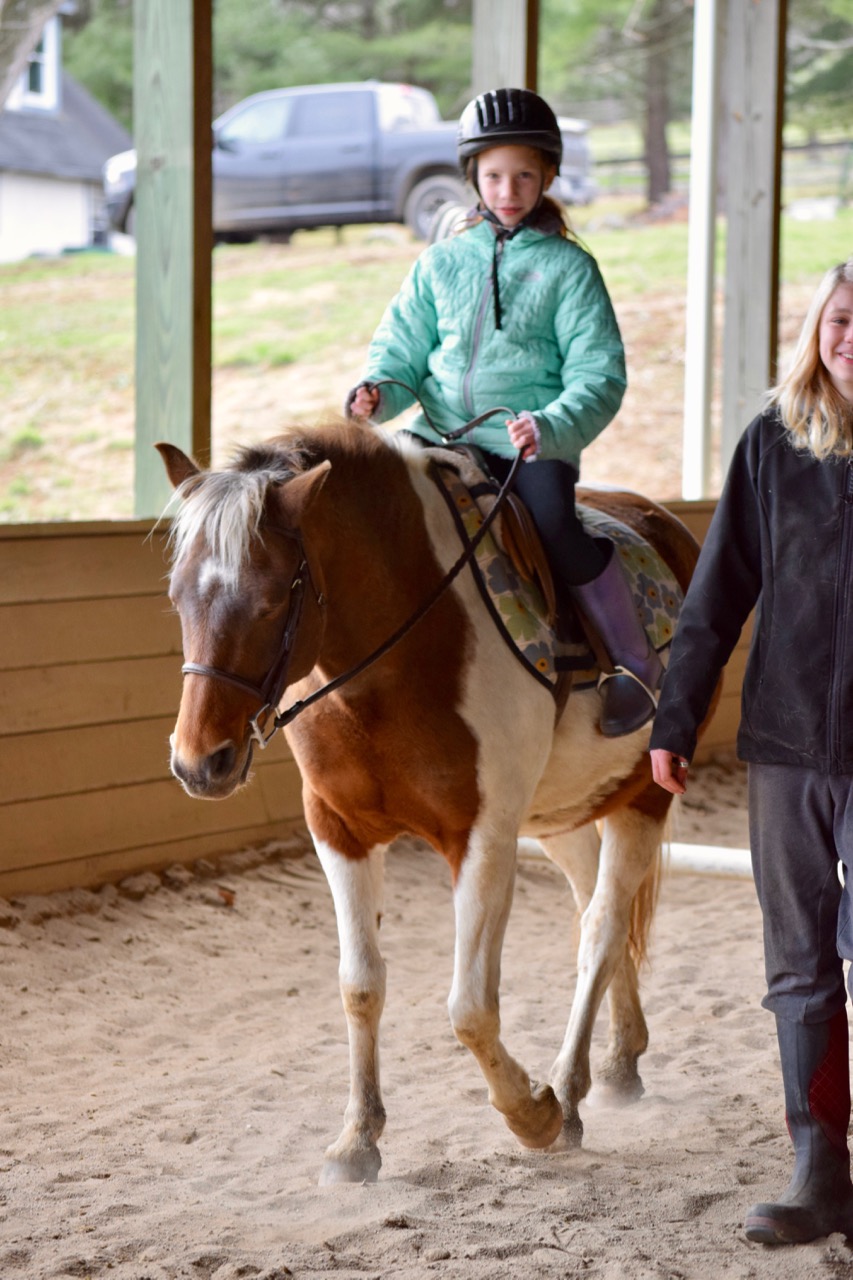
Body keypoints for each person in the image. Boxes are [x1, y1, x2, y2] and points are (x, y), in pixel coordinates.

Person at [346, 86, 662, 737]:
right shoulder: (438, 263)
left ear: (547, 175)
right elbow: (401, 352)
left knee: (553, 528)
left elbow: (599, 376)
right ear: (473, 177)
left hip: (528, 446)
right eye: (493, 175)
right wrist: (378, 391)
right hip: (434, 434)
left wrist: (548, 426)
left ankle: (634, 664)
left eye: (523, 175)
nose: (508, 189)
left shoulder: (569, 270)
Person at [650, 258, 853, 1246]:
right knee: (797, 961)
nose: (848, 337)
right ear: (817, 328)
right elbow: (717, 592)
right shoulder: (771, 446)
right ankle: (819, 1170)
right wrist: (675, 719)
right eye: (839, 319)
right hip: (784, 745)